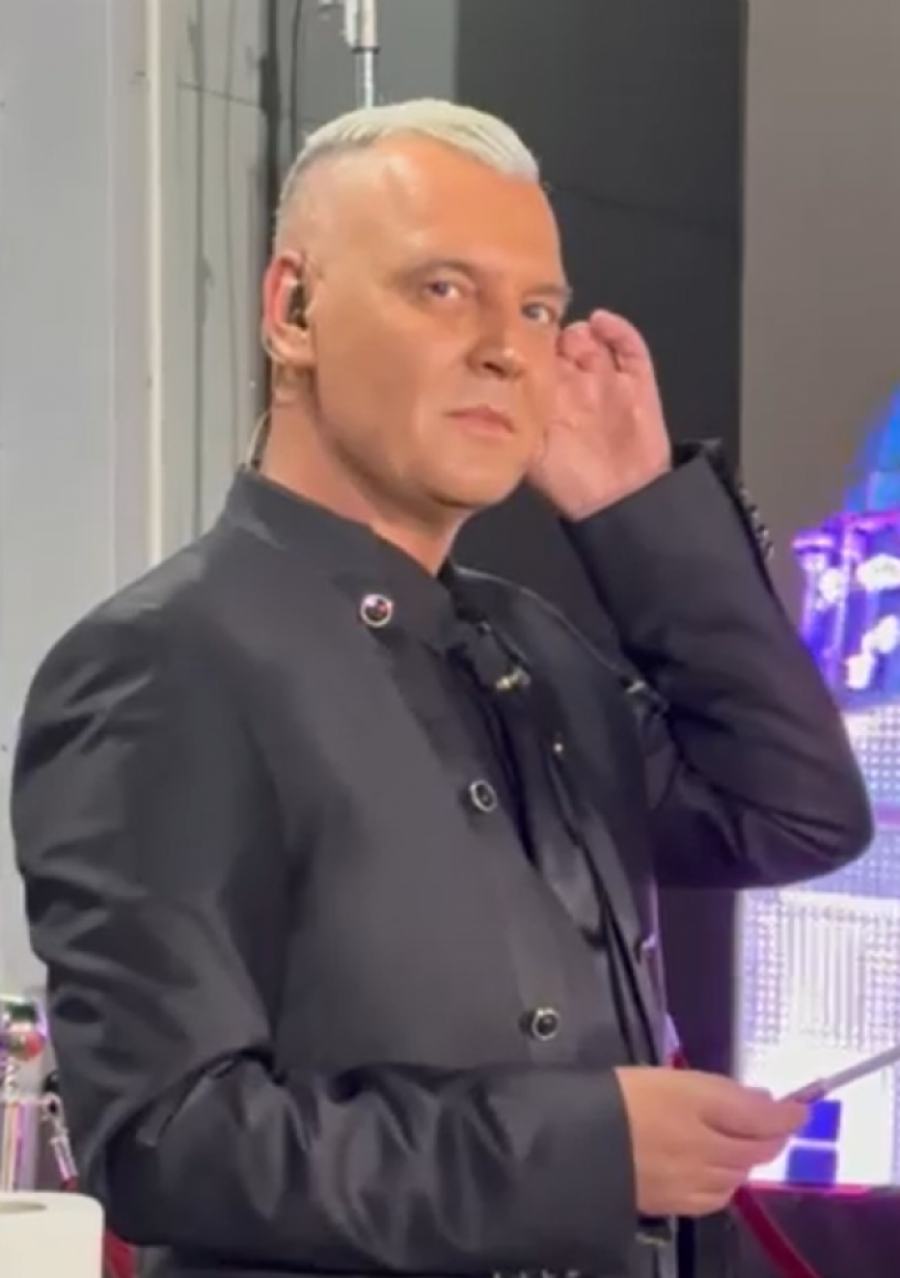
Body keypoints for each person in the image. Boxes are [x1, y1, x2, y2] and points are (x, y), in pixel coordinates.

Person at [11, 99, 871, 1278]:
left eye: (538, 310)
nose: (508, 349)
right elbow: (169, 1141)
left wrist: (641, 517)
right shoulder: (166, 664)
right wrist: (590, 1151)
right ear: (293, 311)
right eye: (443, 289)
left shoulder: (535, 654)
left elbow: (794, 812)